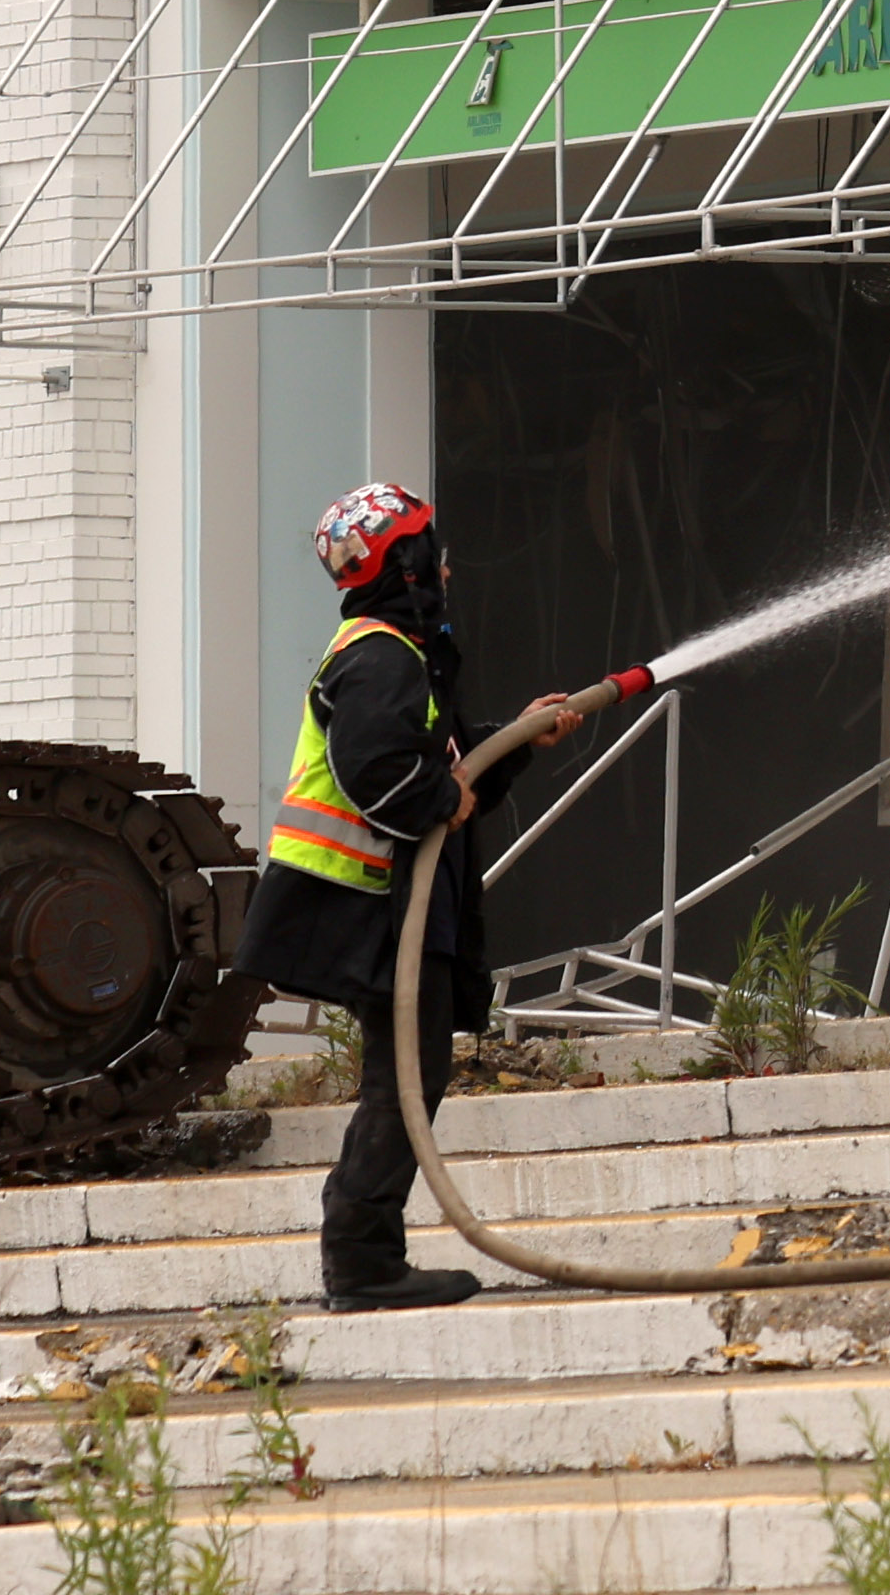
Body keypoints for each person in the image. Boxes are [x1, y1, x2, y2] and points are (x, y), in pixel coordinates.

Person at [240, 478, 581, 1310]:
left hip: (384, 910)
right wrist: (438, 797)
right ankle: (359, 1259)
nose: (449, 570)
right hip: (367, 908)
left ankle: (365, 1253)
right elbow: (380, 770)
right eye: (436, 552)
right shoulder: (380, 655)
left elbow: (453, 767)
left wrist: (521, 737)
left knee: (410, 1078)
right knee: (407, 1081)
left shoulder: (398, 653)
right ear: (409, 563)